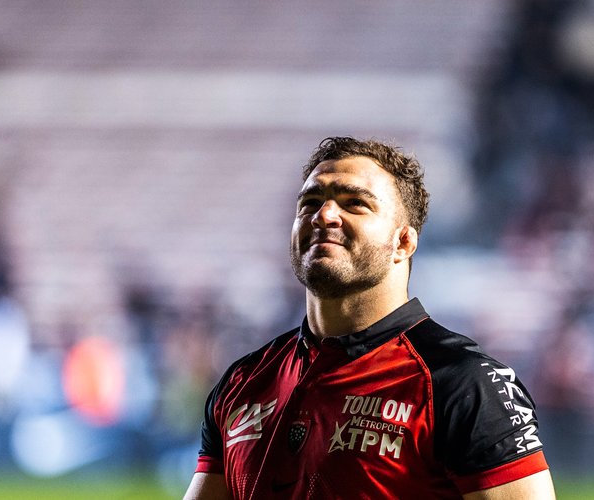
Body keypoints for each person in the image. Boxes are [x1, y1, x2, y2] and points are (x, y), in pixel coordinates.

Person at [184, 137, 556, 499]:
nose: (324, 215)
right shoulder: (244, 381)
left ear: (404, 242)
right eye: (310, 202)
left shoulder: (464, 383)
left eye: (355, 203)